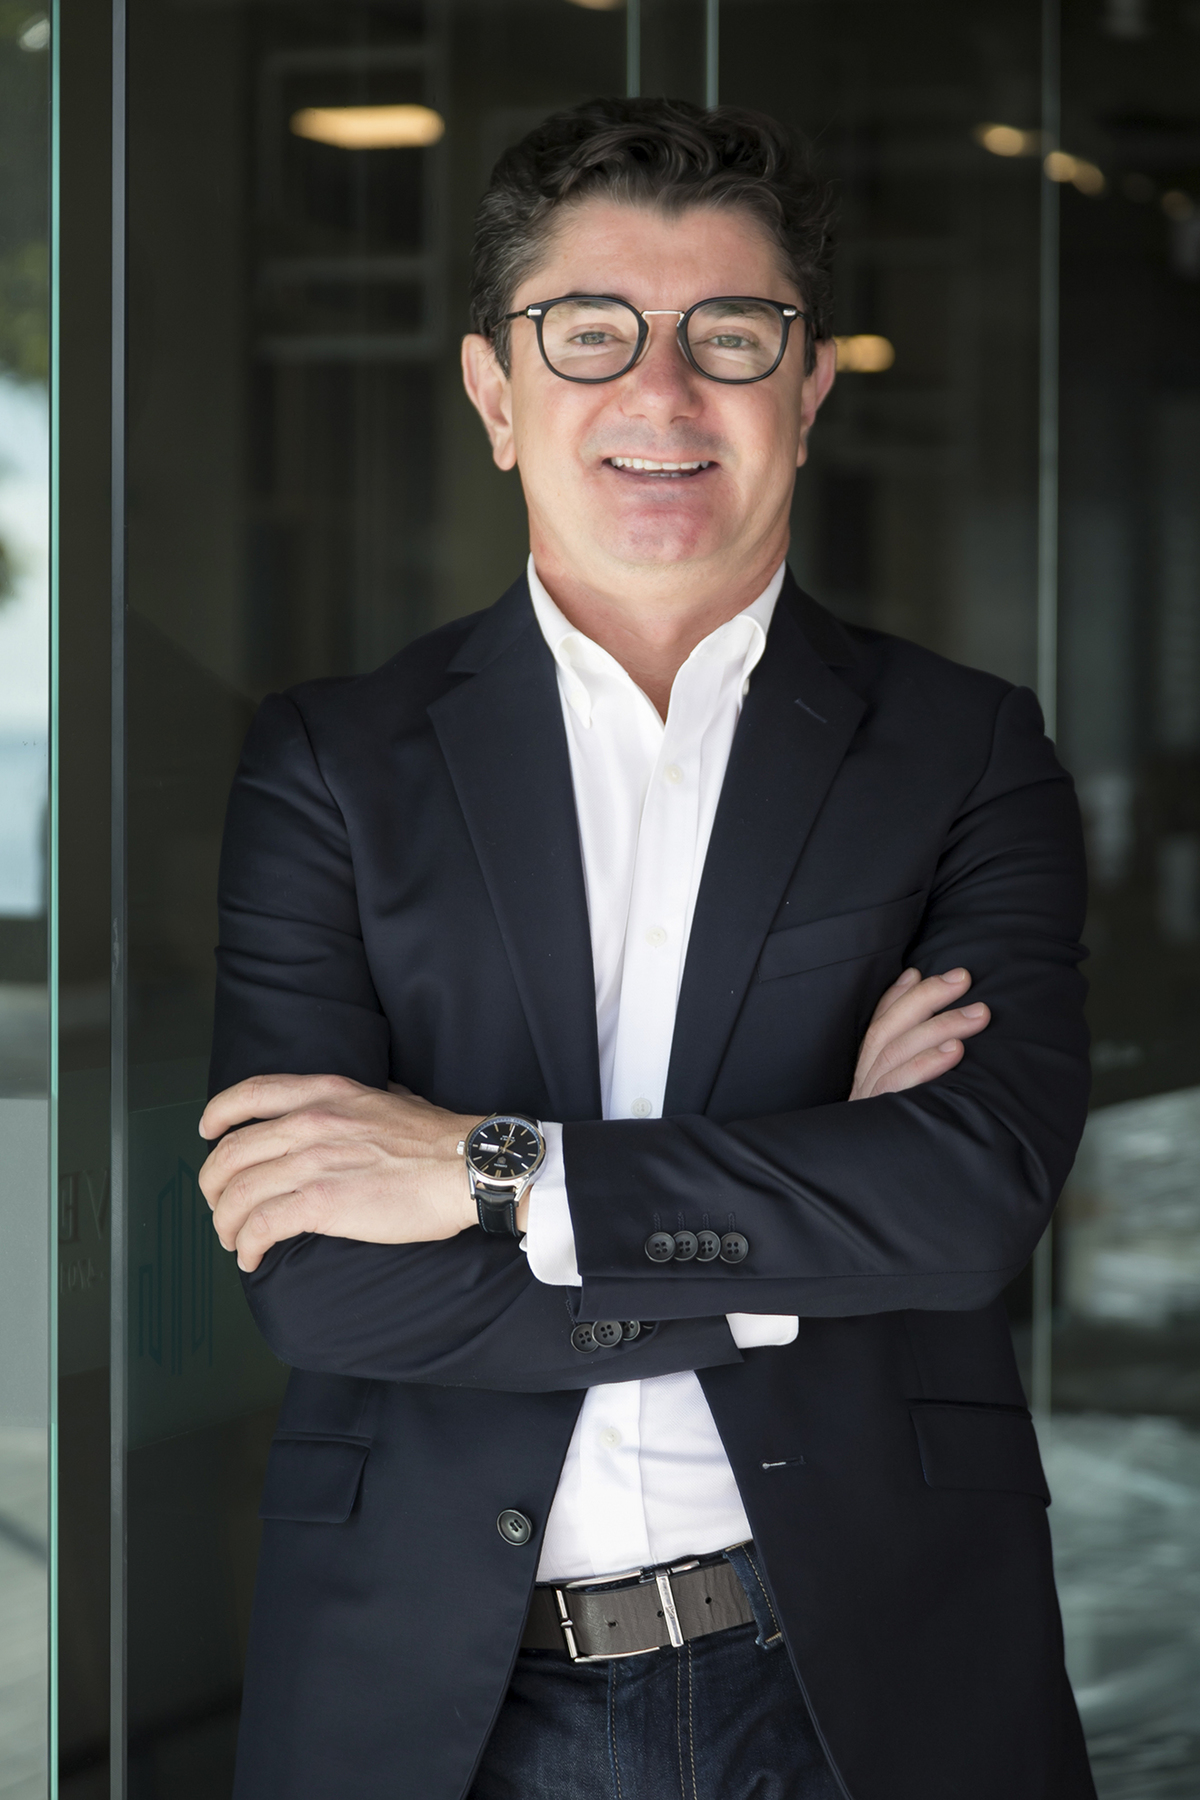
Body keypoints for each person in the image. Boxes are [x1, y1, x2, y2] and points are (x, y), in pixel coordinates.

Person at [199, 98, 1095, 1800]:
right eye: (589, 332)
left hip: (870, 1677)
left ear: (808, 391)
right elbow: (316, 1274)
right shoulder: (333, 765)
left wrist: (484, 1171)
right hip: (436, 1696)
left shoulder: (963, 750)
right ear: (495, 393)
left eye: (731, 335)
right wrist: (801, 1245)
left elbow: (970, 1201)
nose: (662, 393)